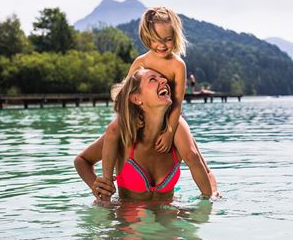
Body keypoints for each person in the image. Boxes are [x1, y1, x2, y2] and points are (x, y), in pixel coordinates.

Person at [100, 7, 214, 200]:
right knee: (112, 131)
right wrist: (132, 120)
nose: (162, 45)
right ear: (146, 36)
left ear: (175, 37)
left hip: (172, 116)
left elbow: (177, 102)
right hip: (143, 114)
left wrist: (169, 131)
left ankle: (208, 197)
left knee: (193, 155)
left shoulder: (178, 65)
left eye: (167, 40)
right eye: (156, 40)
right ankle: (106, 183)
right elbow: (128, 93)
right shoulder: (140, 62)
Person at [74, 68, 219, 201]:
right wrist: (97, 186)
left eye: (162, 78)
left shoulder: (177, 130)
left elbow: (207, 172)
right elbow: (81, 160)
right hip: (127, 218)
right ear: (137, 99)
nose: (164, 81)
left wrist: (212, 197)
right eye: (153, 79)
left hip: (169, 215)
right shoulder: (123, 133)